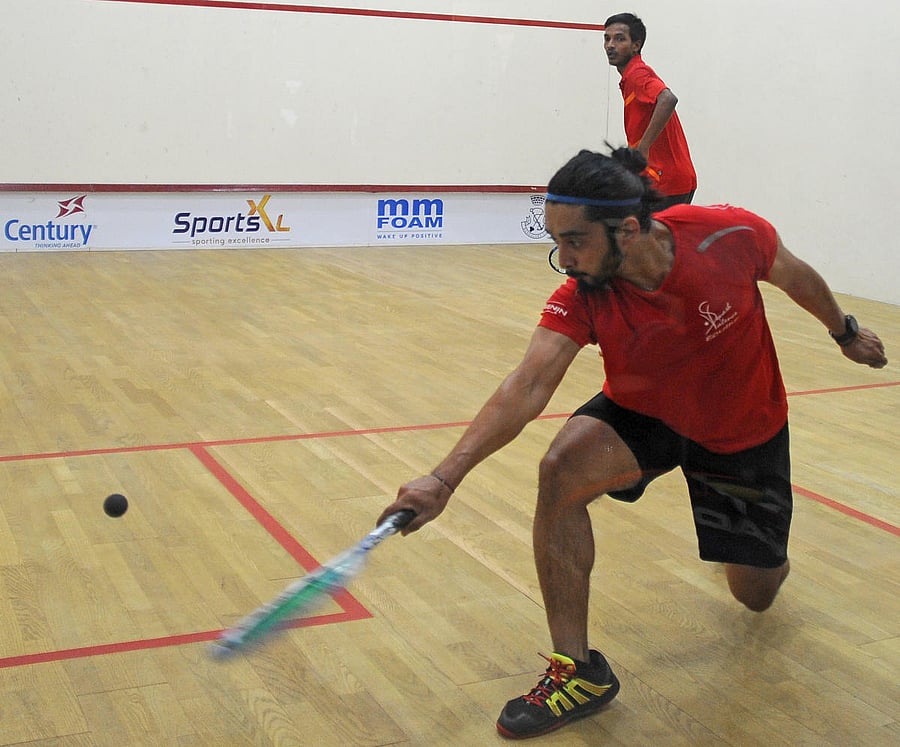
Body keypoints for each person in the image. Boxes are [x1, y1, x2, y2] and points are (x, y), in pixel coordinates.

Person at [377, 146, 888, 739]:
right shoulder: (584, 294)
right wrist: (444, 478)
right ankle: (578, 672)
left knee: (755, 594)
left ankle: (760, 558)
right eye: (556, 241)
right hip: (646, 413)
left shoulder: (728, 233)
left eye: (575, 241)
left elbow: (797, 277)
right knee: (560, 471)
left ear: (626, 228)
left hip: (741, 429)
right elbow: (528, 383)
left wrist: (845, 332)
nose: (564, 260)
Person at [605, 12, 697, 208]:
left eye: (619, 39)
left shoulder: (637, 73)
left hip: (665, 181)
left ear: (636, 45)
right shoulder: (630, 77)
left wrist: (642, 148)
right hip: (669, 178)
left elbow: (668, 99)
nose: (610, 45)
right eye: (607, 38)